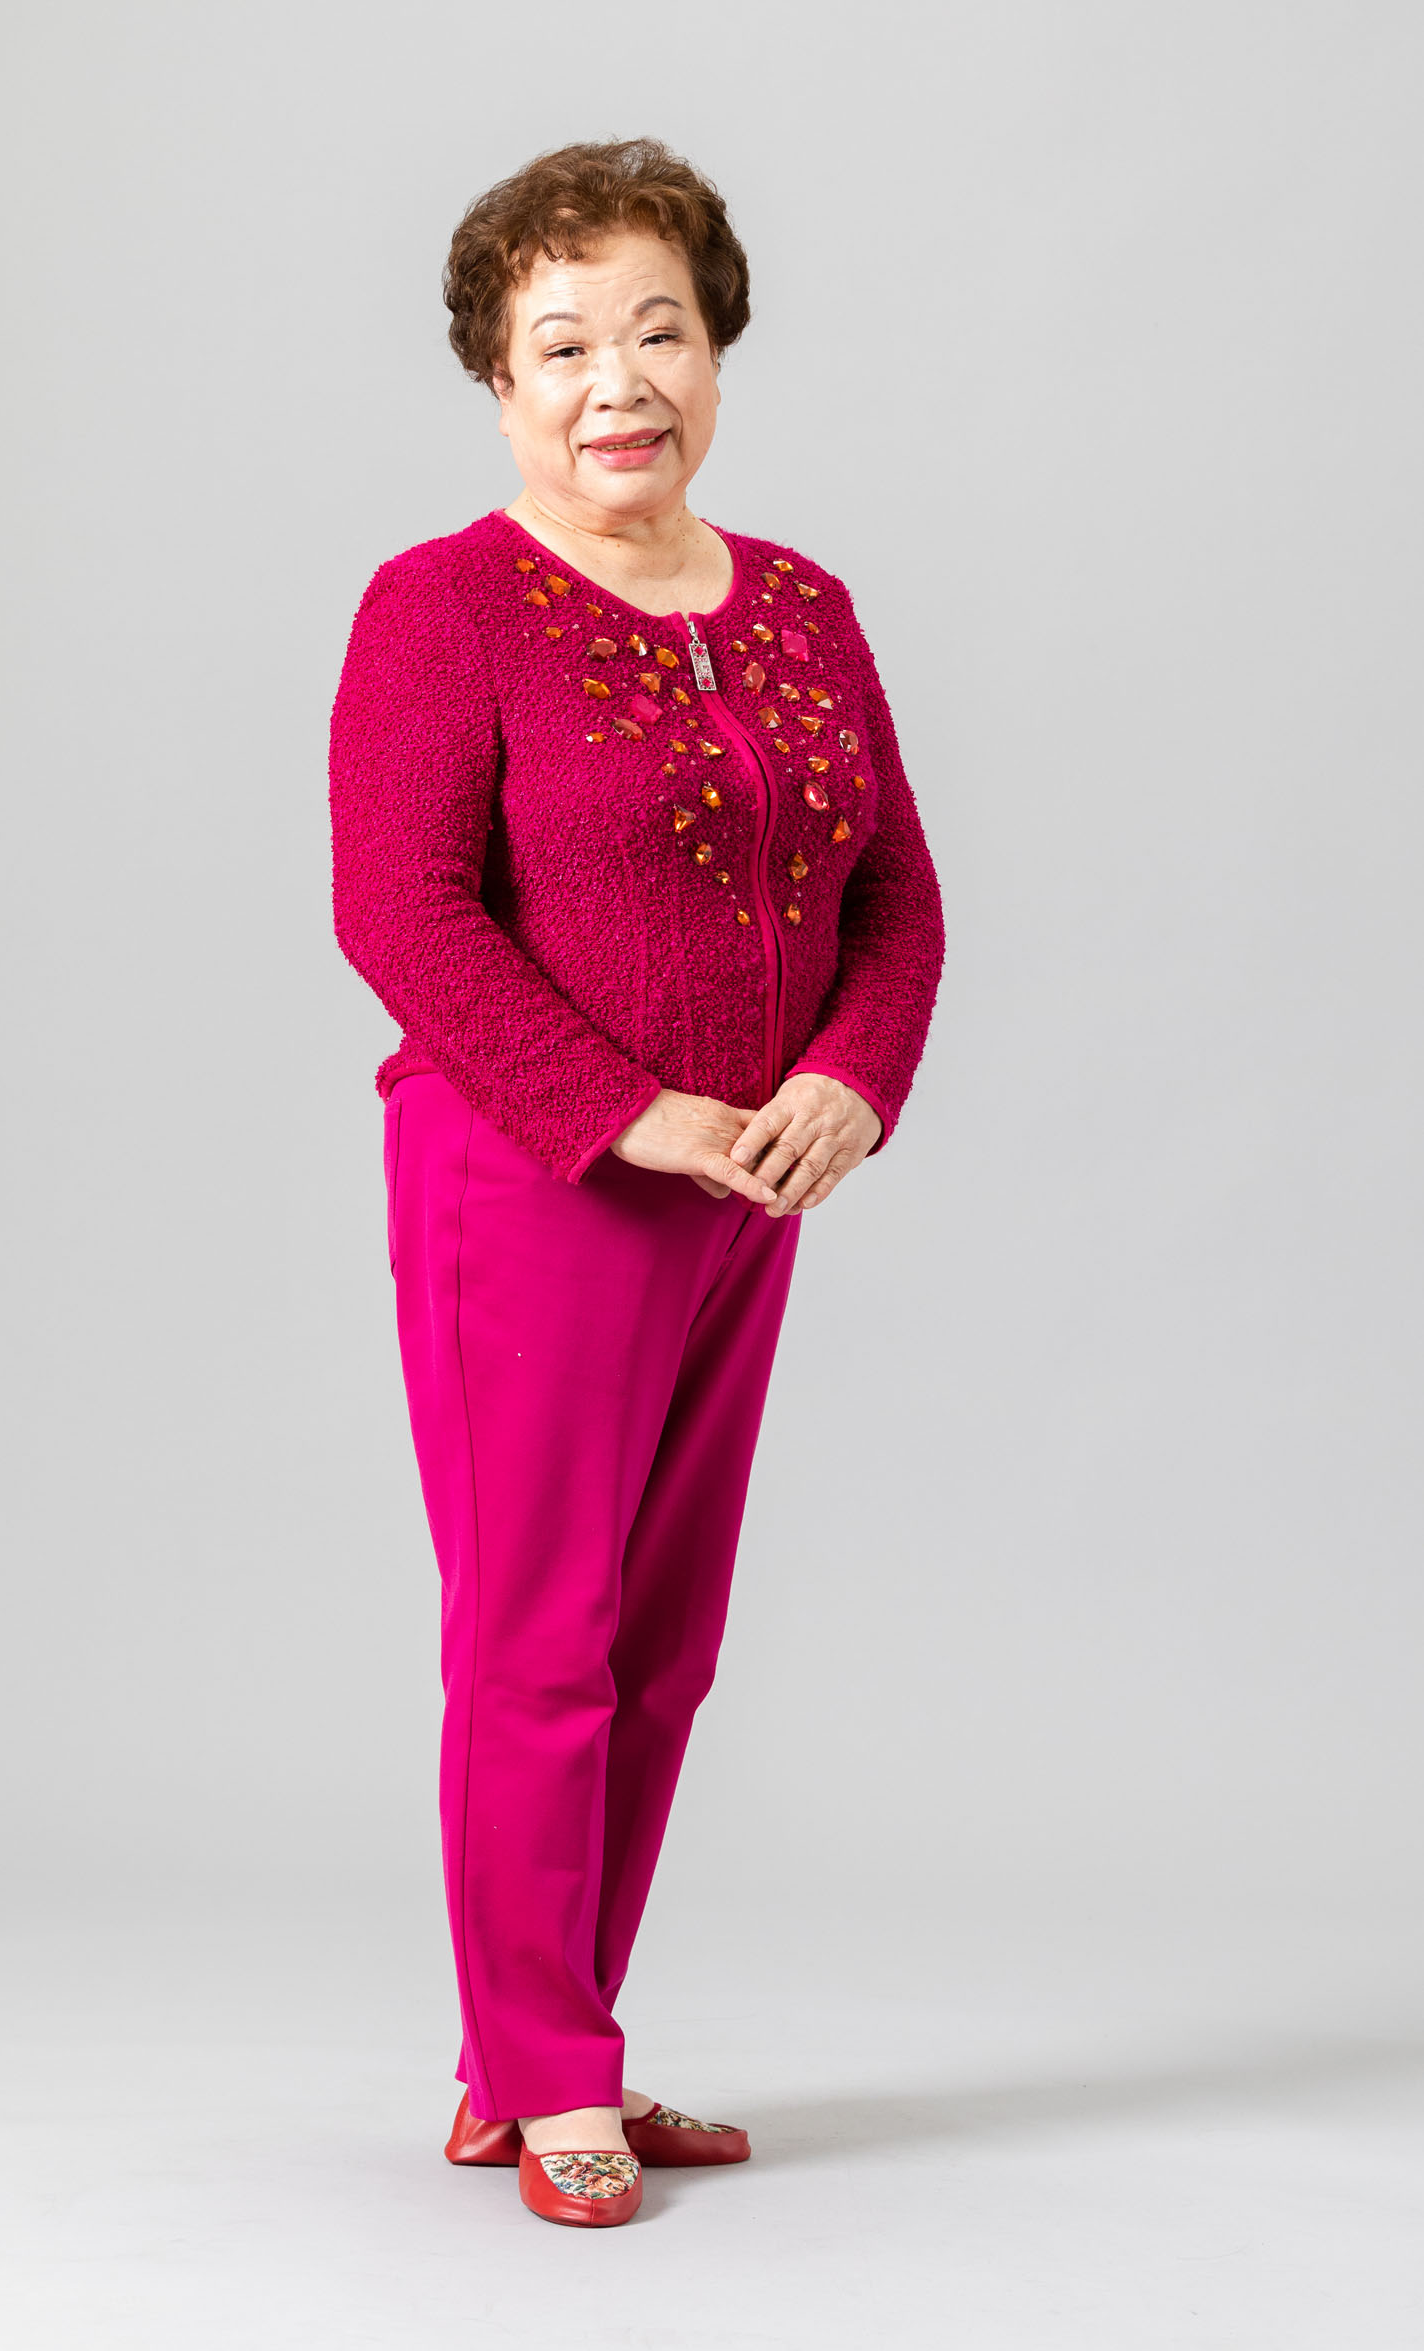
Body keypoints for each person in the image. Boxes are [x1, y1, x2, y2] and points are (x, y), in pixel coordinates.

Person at [328, 136, 946, 2228]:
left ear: (718, 351)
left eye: (660, 330)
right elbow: (401, 910)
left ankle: (542, 2047)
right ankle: (544, 2070)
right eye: (565, 342)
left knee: (663, 1647)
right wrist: (627, 1109)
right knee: (541, 1639)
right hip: (533, 1179)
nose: (621, 381)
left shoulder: (802, 607)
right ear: (499, 380)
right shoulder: (442, 609)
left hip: (744, 1191)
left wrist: (849, 1081)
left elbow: (896, 899)